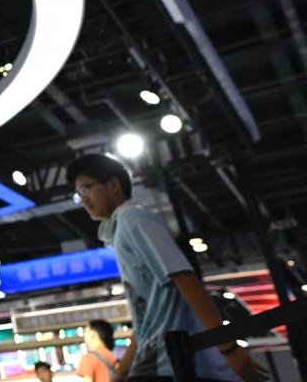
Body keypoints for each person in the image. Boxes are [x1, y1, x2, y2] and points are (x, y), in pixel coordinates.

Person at [66, 154, 267, 382]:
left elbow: (186, 280)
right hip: (162, 361)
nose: (83, 199)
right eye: (79, 193)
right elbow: (147, 320)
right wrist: (121, 373)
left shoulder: (133, 218)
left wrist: (228, 347)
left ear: (113, 185)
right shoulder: (122, 228)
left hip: (169, 363)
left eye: (86, 188)